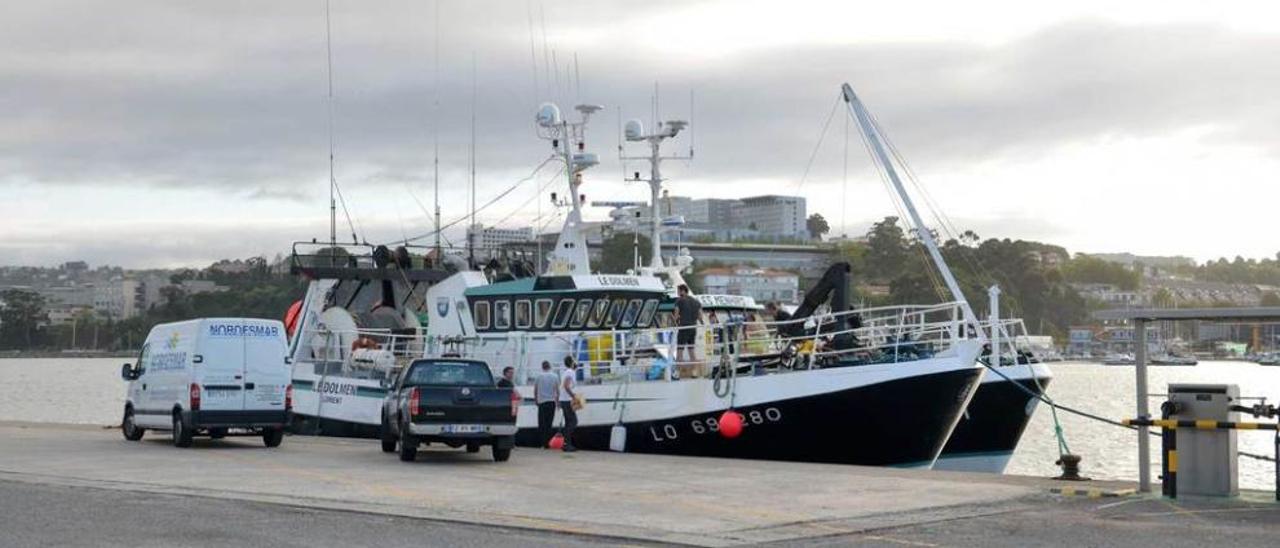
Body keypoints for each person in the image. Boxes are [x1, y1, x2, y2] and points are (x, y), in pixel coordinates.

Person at [673, 284, 702, 377]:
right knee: (691, 350)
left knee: (680, 351)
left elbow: (676, 315)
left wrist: (675, 320)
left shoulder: (679, 301)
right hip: (693, 328)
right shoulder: (696, 302)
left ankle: (677, 372)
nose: (678, 293)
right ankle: (694, 371)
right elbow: (700, 317)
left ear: (682, 291)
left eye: (678, 291)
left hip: (684, 328)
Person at [533, 361, 558, 447]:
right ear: (550, 366)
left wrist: (536, 400)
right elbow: (557, 390)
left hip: (542, 402)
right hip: (551, 402)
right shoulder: (555, 376)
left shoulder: (539, 376)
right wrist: (558, 402)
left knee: (542, 423)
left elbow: (536, 390)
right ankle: (548, 442)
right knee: (549, 423)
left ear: (542, 367)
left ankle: (542, 443)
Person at [558, 355, 579, 452]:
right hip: (567, 400)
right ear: (572, 362)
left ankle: (566, 444)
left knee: (568, 422)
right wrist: (573, 396)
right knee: (573, 422)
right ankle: (567, 444)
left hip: (563, 400)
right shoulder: (570, 372)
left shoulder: (566, 372)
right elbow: (566, 386)